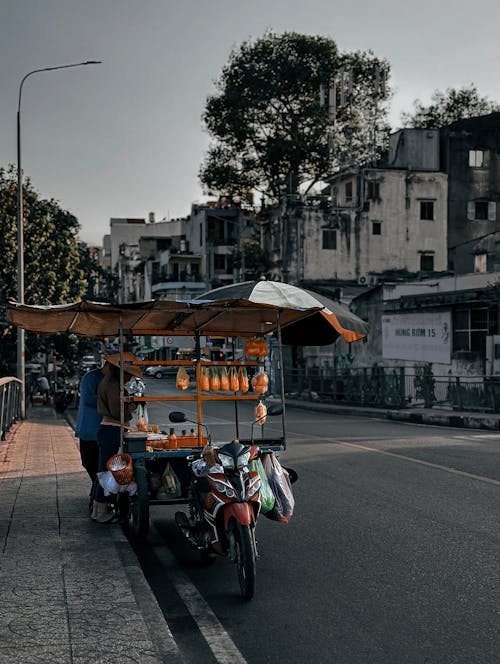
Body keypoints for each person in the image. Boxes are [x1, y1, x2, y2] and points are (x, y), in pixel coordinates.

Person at [92, 352, 142, 523]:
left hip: (108, 430)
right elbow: (117, 412)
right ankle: (99, 512)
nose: (129, 378)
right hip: (112, 430)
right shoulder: (113, 385)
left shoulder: (108, 383)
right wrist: (132, 407)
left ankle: (98, 509)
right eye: (128, 374)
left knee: (104, 472)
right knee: (106, 473)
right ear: (120, 372)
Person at [75, 363, 106, 508]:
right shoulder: (91, 378)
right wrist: (110, 401)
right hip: (89, 428)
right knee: (89, 462)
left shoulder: (115, 379)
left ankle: (97, 495)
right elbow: (88, 399)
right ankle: (97, 492)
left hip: (106, 429)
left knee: (102, 466)